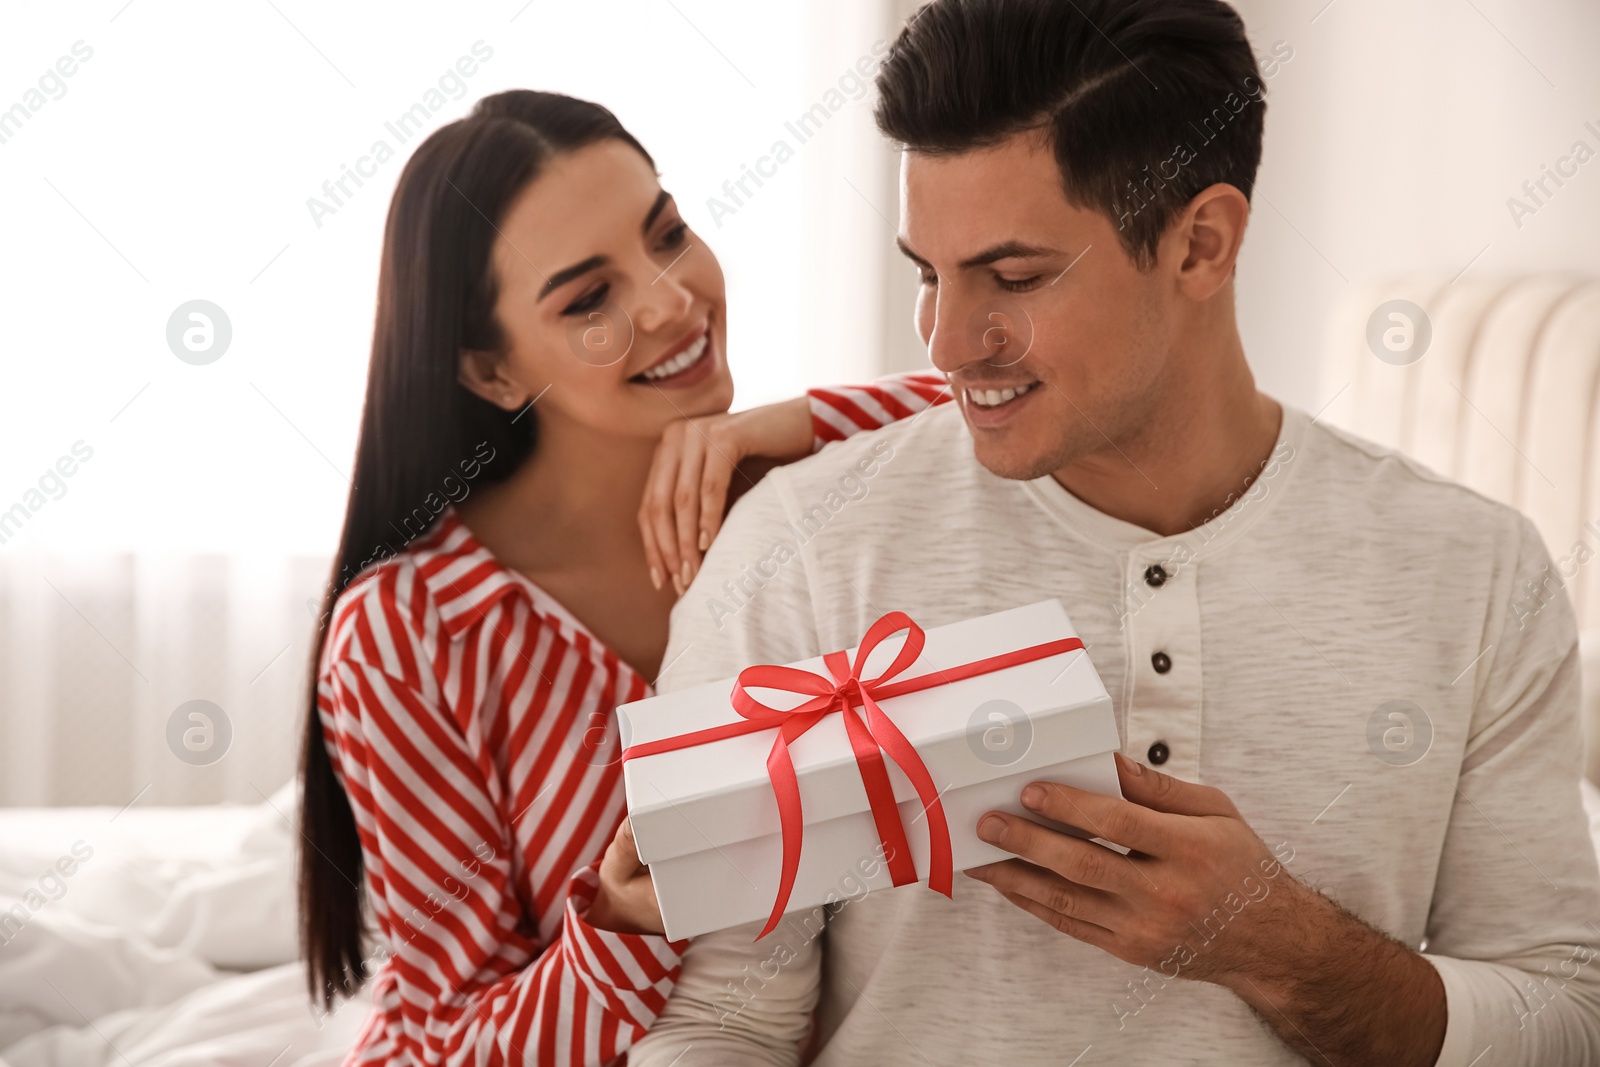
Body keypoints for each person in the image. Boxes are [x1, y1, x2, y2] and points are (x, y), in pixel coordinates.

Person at [627, 1, 1600, 1065]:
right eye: (926, 271)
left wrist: (1283, 945)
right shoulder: (799, 553)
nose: (948, 342)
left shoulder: (1472, 571)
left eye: (1014, 276)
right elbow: (722, 1024)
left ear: (1200, 244)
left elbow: (1564, 1017)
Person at [295, 89, 951, 1066]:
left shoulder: (801, 498)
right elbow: (443, 1041)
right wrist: (628, 931)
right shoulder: (412, 632)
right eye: (588, 298)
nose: (670, 300)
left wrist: (793, 422)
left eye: (668, 234)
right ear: (492, 371)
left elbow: (1013, 412)